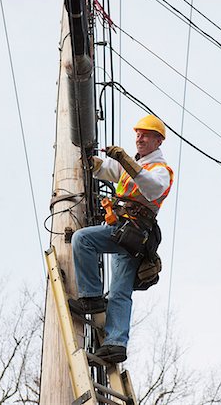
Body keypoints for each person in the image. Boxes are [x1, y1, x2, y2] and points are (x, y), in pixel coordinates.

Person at [70, 115, 174, 363]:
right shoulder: (133, 167)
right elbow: (105, 170)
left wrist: (125, 159)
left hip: (133, 229)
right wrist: (91, 159)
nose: (139, 138)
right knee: (119, 291)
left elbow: (151, 188)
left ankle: (92, 297)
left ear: (158, 141)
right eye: (138, 133)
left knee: (82, 240)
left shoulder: (160, 170)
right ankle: (116, 343)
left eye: (146, 134)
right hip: (124, 231)